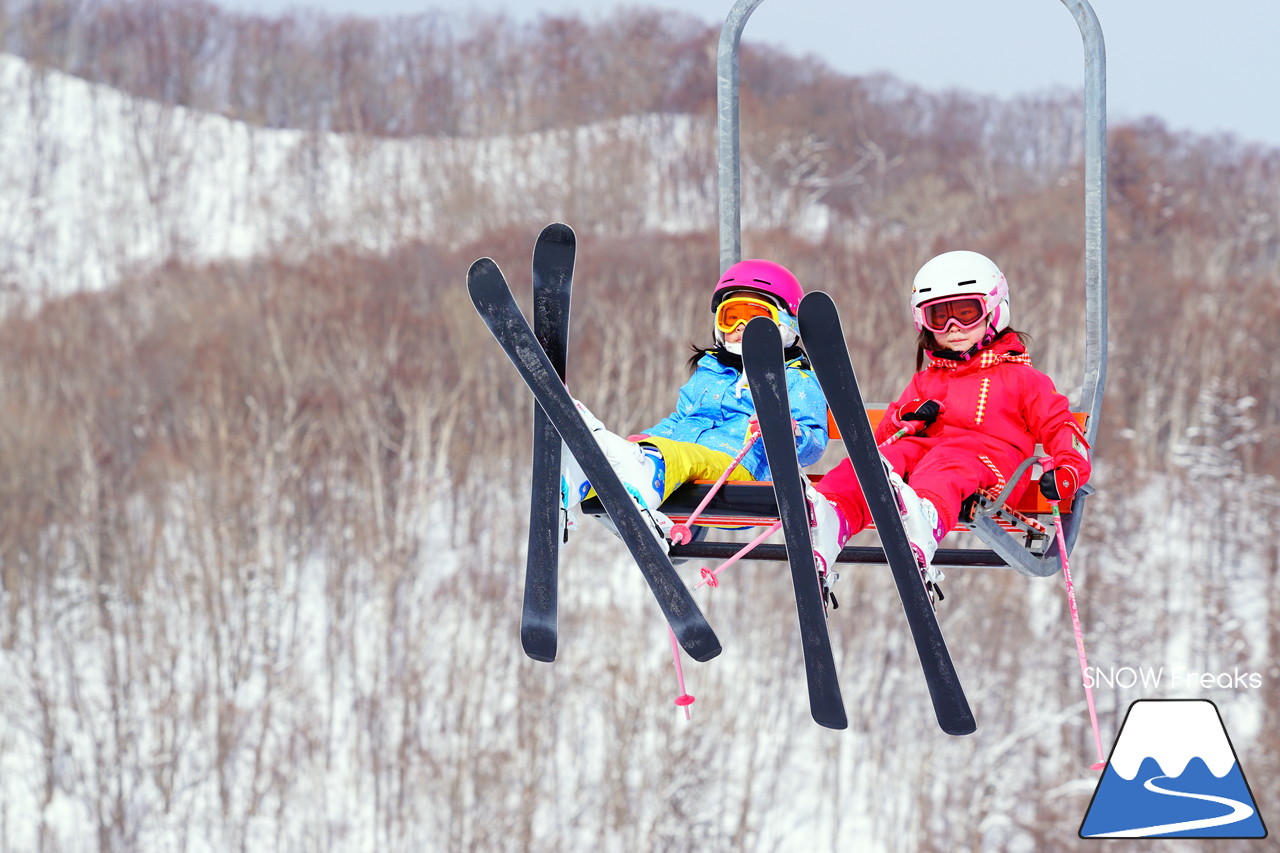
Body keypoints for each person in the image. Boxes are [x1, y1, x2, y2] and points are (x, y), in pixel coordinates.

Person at [809, 250, 1092, 593]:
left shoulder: (1022, 380)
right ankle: (831, 515)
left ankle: (924, 522)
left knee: (949, 459)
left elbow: (1060, 426)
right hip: (926, 466)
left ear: (994, 309)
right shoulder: (926, 380)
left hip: (991, 473)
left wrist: (1068, 471)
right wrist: (906, 419)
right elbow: (884, 440)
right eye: (939, 317)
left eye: (965, 314)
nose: (953, 328)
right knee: (875, 463)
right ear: (922, 321)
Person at [562, 259, 829, 546]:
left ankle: (640, 490)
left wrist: (791, 433)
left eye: (753, 318)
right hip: (685, 461)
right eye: (731, 317)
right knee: (634, 451)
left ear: (785, 325)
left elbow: (814, 443)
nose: (740, 327)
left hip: (741, 469)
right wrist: (651, 439)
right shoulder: (710, 371)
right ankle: (580, 480)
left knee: (676, 456)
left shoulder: (796, 379)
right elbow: (681, 420)